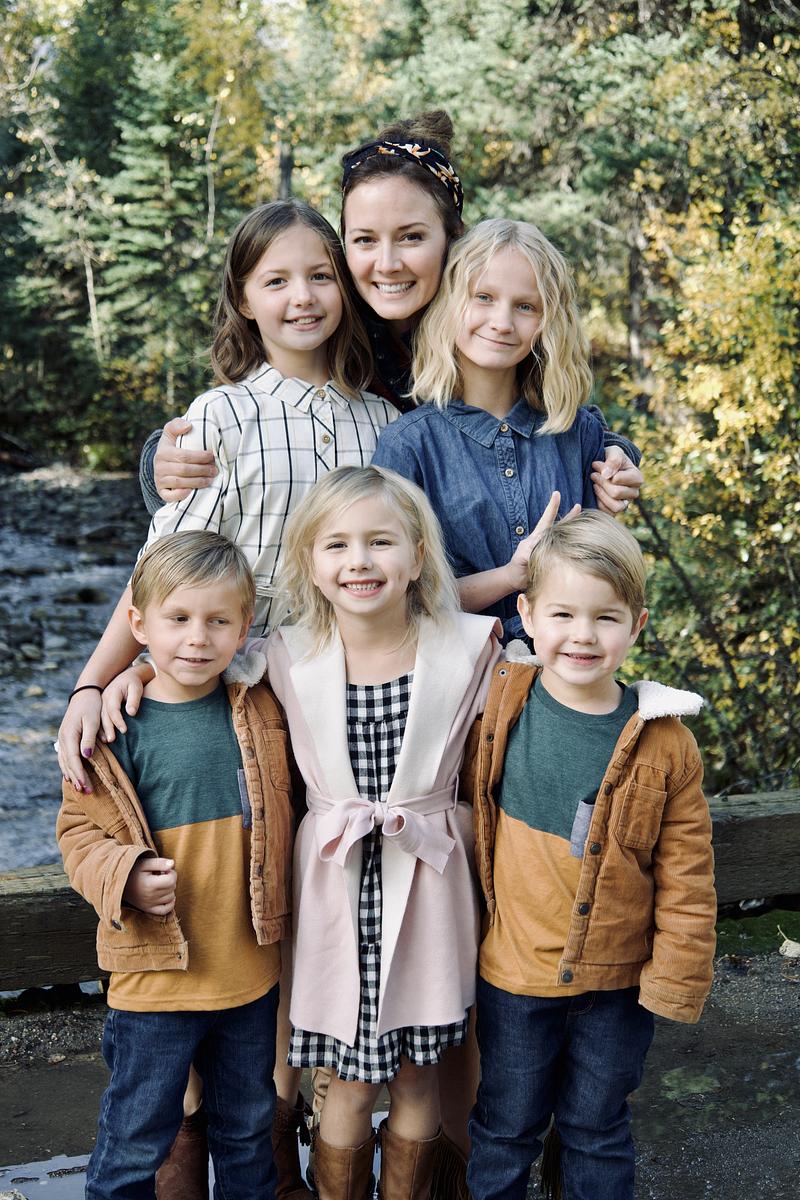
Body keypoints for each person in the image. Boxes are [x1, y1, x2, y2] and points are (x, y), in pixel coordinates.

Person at [56, 198, 395, 1200]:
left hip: (343, 714)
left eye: (320, 275)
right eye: (275, 280)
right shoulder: (220, 418)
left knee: (289, 922)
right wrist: (96, 677)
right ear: (244, 299)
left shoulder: (383, 421)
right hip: (239, 698)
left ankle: (282, 1144)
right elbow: (165, 571)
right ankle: (196, 1153)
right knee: (221, 911)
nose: (302, 297)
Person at [140, 112, 641, 519]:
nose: (387, 263)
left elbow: (555, 409)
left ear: (453, 237)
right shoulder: (329, 322)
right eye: (364, 240)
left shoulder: (484, 324)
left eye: (412, 237)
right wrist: (159, 462)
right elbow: (250, 412)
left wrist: (616, 455)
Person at [262, 465, 501, 1200]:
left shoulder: (470, 647)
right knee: (349, 1080)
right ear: (310, 563)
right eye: (336, 545)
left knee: (419, 1075)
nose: (359, 561)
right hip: (335, 888)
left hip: (428, 883)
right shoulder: (286, 654)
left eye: (381, 542)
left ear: (418, 556)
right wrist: (126, 678)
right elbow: (191, 669)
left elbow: (551, 691)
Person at [466, 511, 716, 1200]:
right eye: (563, 614)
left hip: (617, 983)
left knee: (597, 1128)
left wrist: (674, 978)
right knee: (506, 1126)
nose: (582, 635)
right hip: (515, 978)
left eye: (606, 618)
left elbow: (687, 875)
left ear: (636, 626)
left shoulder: (665, 741)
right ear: (527, 615)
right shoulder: (500, 703)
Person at [56, 531, 294, 1199]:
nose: (197, 638)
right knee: (135, 1142)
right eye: (178, 619)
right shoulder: (114, 728)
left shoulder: (261, 708)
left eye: (218, 621)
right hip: (155, 984)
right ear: (138, 625)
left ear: (244, 627)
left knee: (248, 1135)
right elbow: (78, 832)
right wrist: (124, 875)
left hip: (249, 979)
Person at [373, 217, 605, 645]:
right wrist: (510, 576)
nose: (502, 322)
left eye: (526, 306)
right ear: (450, 303)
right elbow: (395, 601)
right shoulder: (409, 445)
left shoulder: (577, 433)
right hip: (460, 674)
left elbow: (605, 577)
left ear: (548, 322)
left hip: (568, 670)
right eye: (483, 297)